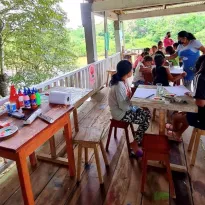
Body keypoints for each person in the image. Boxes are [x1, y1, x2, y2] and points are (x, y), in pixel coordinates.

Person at [108, 60, 151, 156]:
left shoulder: (124, 80)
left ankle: (138, 138)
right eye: (132, 69)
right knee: (145, 120)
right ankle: (135, 143)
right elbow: (123, 106)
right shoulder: (119, 85)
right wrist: (135, 109)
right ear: (127, 73)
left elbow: (126, 101)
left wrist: (135, 107)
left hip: (126, 108)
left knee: (147, 114)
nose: (133, 71)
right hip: (120, 113)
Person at [165, 55, 205, 142]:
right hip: (201, 113)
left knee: (177, 116)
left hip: (202, 118)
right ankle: (177, 132)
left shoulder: (200, 77)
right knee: (184, 113)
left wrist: (194, 99)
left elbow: (201, 103)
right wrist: (194, 95)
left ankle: (176, 133)